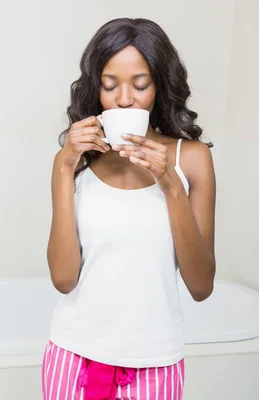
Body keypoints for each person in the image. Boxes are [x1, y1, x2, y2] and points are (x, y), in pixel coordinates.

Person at [43, 17, 216, 400]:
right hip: (73, 355)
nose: (124, 99)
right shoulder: (79, 160)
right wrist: (62, 166)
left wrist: (170, 184)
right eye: (109, 85)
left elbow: (201, 286)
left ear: (159, 84)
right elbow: (63, 279)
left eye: (140, 85)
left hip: (156, 361)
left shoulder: (192, 159)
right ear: (95, 88)